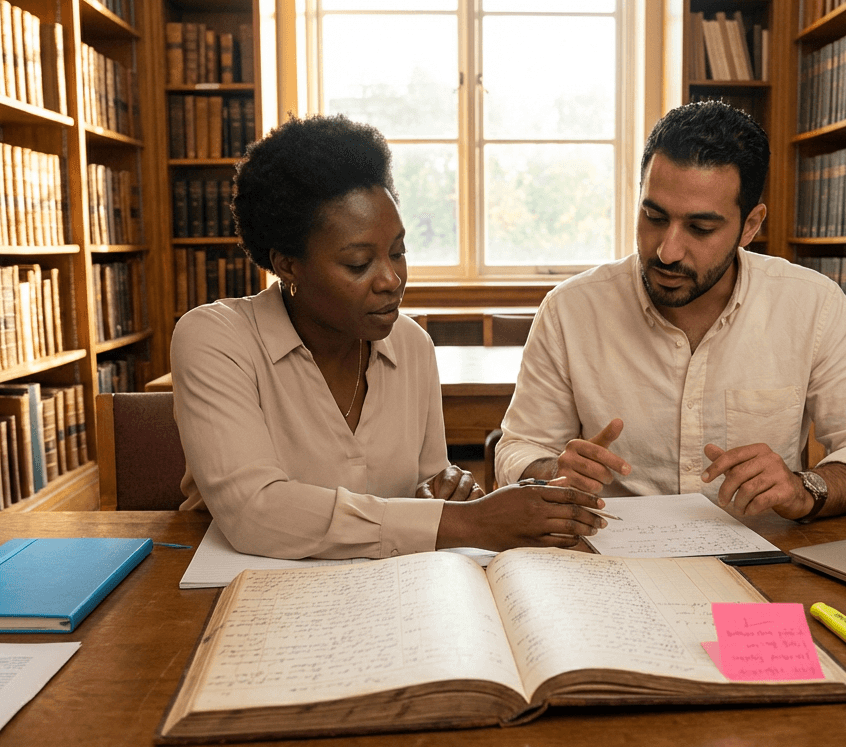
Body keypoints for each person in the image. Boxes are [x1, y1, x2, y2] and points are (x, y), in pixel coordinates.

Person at [171, 114, 607, 559]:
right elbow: (254, 511)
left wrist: (446, 490)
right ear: (287, 265)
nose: (391, 279)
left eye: (398, 251)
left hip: (390, 587)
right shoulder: (216, 340)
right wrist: (470, 521)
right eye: (359, 264)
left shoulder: (412, 346)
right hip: (242, 586)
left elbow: (429, 487)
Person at [495, 101, 846, 523]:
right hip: (612, 551)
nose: (667, 251)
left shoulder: (812, 305)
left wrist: (805, 489)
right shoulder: (570, 309)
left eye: (700, 228)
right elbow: (519, 449)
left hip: (764, 555)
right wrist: (552, 472)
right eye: (653, 216)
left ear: (750, 226)